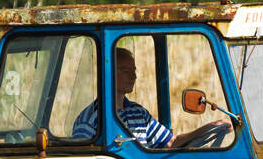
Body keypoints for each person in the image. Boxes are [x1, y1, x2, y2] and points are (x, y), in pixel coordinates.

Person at [71, 47, 231, 148]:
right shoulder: (90, 120)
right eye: (126, 71)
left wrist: (209, 127)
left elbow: (170, 142)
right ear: (108, 73)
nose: (133, 76)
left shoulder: (138, 113)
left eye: (134, 71)